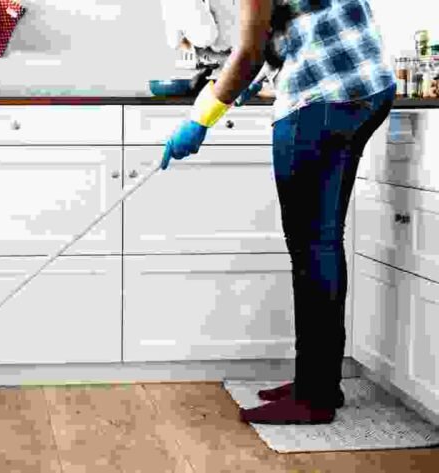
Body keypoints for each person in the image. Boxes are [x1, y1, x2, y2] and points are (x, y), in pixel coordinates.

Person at [161, 0, 396, 425]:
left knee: (312, 247)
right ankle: (320, 382)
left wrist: (201, 117)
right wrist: (251, 77)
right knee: (323, 242)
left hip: (323, 96)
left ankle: (314, 396)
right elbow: (284, 27)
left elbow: (249, 51)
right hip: (367, 87)